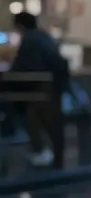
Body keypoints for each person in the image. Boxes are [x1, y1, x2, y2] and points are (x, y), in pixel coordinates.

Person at [11, 12, 69, 167]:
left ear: (20, 26)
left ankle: (43, 152)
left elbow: (22, 66)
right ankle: (54, 155)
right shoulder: (43, 37)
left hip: (40, 87)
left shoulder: (30, 39)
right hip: (50, 84)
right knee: (49, 121)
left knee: (34, 119)